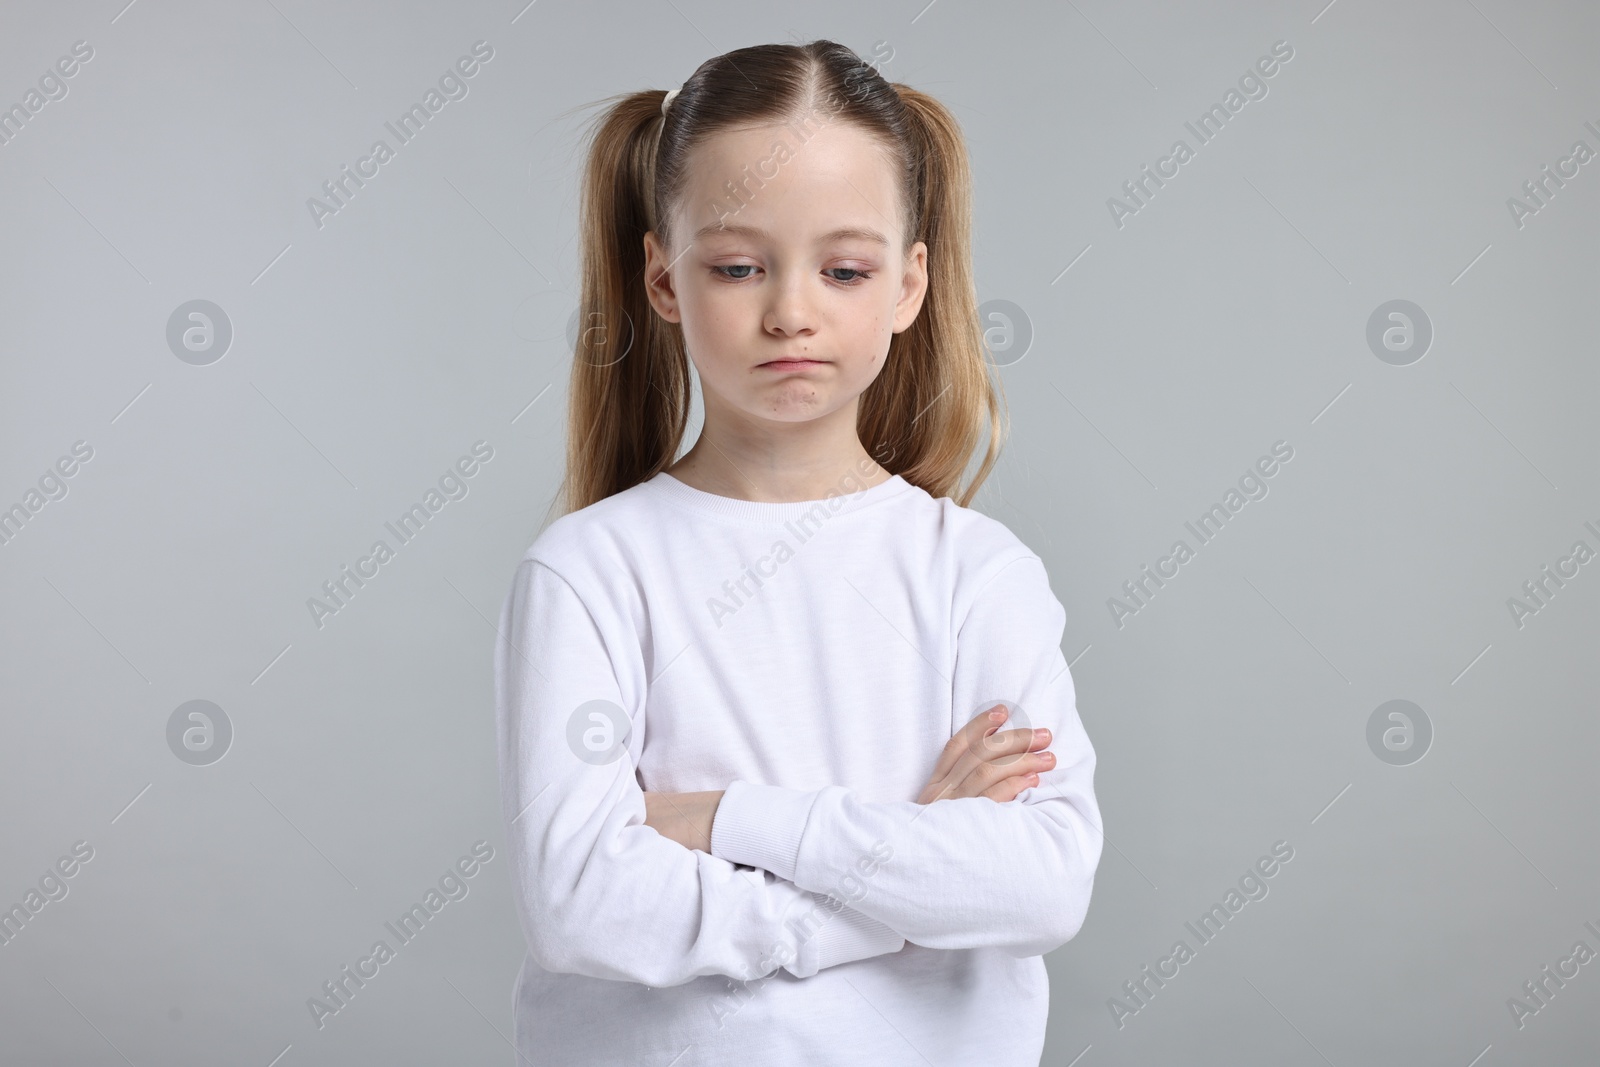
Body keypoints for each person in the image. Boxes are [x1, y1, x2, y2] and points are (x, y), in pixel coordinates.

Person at [494, 38, 1103, 1065]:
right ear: (662, 279)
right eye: (737, 266)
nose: (789, 311)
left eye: (844, 268)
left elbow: (1038, 879)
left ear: (908, 284)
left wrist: (727, 817)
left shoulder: (978, 575)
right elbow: (581, 902)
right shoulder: (589, 571)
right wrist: (896, 881)